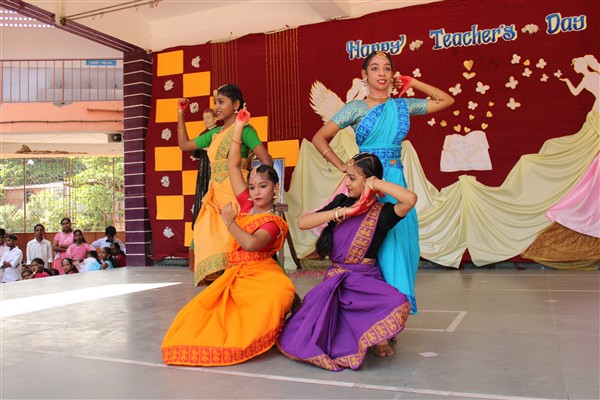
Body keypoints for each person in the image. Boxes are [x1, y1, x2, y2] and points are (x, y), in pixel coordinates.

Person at [312, 50, 454, 313]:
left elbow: (446, 100)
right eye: (375, 68)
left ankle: (394, 310)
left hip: (395, 181)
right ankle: (371, 312)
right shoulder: (355, 108)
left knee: (401, 243)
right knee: (371, 246)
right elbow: (319, 138)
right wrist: (343, 166)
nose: (382, 73)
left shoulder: (402, 106)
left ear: (392, 74)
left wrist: (413, 82)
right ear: (364, 75)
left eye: (387, 68)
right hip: (366, 183)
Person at [162, 107, 295, 367]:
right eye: (253, 187)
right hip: (237, 273)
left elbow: (251, 243)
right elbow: (233, 166)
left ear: (275, 188)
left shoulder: (273, 222)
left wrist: (229, 222)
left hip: (263, 274)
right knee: (198, 314)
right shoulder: (246, 204)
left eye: (263, 186)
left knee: (277, 294)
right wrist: (238, 128)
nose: (256, 192)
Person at [277, 153, 416, 371]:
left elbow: (410, 199)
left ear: (368, 180)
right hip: (336, 281)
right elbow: (303, 222)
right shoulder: (341, 203)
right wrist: (343, 211)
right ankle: (372, 337)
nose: (347, 183)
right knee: (311, 332)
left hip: (365, 281)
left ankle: (377, 337)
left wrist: (376, 184)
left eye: (352, 178)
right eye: (347, 177)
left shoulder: (383, 214)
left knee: (396, 302)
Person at [176, 84, 273, 286]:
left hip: (236, 192)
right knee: (208, 235)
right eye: (215, 103)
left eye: (221, 102)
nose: (216, 107)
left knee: (235, 240)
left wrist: (255, 186)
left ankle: (238, 286)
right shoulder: (215, 134)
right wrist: (180, 114)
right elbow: (184, 145)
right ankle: (223, 287)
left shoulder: (245, 130)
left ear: (236, 104)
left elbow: (267, 161)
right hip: (215, 193)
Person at [188, 108, 217, 271]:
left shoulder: (219, 132)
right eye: (204, 118)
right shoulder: (203, 134)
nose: (206, 120)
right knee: (202, 199)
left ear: (215, 118)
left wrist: (209, 148)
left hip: (216, 170)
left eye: (208, 117)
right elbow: (194, 153)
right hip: (203, 171)